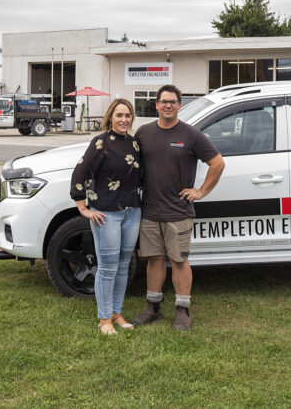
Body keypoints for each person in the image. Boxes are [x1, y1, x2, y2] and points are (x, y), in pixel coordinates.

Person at [132, 84, 225, 331]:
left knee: (180, 260)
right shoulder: (143, 133)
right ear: (157, 105)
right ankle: (153, 307)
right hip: (150, 211)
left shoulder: (191, 134)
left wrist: (201, 191)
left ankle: (183, 311)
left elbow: (217, 163)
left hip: (178, 212)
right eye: (164, 101)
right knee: (154, 260)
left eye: (173, 101)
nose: (168, 105)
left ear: (179, 105)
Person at [71, 98, 143, 335]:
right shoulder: (101, 143)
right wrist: (83, 208)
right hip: (106, 215)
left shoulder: (134, 144)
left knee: (123, 266)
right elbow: (79, 172)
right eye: (119, 115)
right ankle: (104, 319)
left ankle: (116, 313)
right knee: (108, 267)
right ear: (111, 117)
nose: (124, 120)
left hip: (132, 212)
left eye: (128, 115)